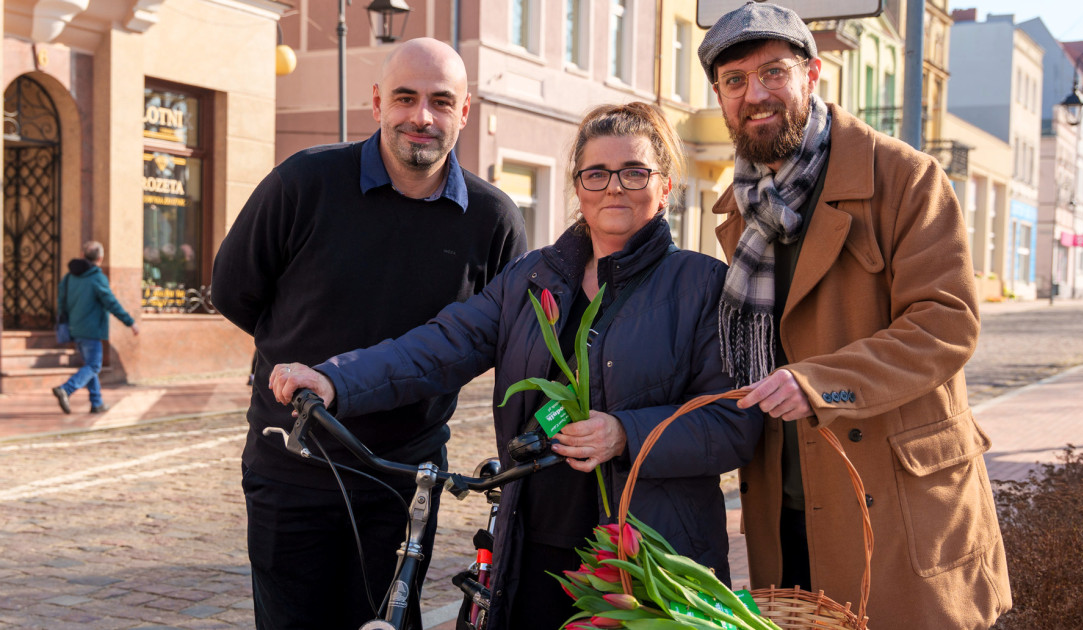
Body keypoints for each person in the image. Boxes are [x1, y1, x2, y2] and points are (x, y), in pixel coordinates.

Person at [270, 102, 763, 630]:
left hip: (646, 550)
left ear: (664, 187)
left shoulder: (705, 285)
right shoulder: (533, 276)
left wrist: (626, 433)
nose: (613, 186)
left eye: (634, 172)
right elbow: (441, 345)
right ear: (578, 187)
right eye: (596, 173)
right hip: (533, 538)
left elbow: (733, 423)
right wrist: (335, 379)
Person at [698, 4, 1011, 629]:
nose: (755, 95)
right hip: (787, 498)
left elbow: (946, 322)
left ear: (813, 74)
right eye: (734, 81)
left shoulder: (906, 178)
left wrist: (818, 383)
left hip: (894, 498)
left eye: (773, 73)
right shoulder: (739, 203)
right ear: (720, 96)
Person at [210, 38, 526, 630]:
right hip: (292, 464)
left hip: (404, 480)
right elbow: (233, 291)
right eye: (405, 98)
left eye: (440, 101)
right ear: (377, 101)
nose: (421, 117)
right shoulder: (304, 181)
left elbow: (497, 339)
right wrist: (296, 347)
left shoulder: (493, 219)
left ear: (465, 111)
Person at [51, 241, 140, 414]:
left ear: (83, 255)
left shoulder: (69, 277)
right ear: (100, 258)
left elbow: (60, 301)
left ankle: (97, 402)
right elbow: (111, 303)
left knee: (90, 366)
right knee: (93, 366)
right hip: (91, 330)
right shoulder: (96, 277)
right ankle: (66, 389)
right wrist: (130, 322)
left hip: (75, 329)